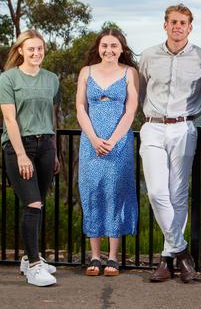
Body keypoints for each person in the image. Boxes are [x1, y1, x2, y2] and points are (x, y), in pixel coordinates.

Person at [139, 4, 201, 283]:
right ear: (165, 25)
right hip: (152, 127)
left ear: (190, 27)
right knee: (156, 193)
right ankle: (183, 252)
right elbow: (139, 91)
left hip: (185, 127)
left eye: (183, 22)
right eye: (173, 21)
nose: (177, 26)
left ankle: (166, 259)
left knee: (177, 195)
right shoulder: (148, 56)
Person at [0, 30, 60, 286]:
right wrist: (21, 154)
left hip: (46, 147)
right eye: (31, 49)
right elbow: (9, 119)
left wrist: (54, 151)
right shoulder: (8, 79)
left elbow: (51, 115)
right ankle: (33, 267)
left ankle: (28, 258)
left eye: (40, 49)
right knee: (32, 204)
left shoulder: (52, 79)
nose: (36, 53)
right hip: (19, 147)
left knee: (38, 203)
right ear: (20, 50)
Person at [76, 29, 139, 277]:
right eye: (104, 45)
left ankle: (112, 257)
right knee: (92, 192)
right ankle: (94, 255)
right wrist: (93, 138)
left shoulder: (129, 73)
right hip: (90, 141)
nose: (109, 50)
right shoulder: (86, 72)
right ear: (98, 47)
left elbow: (131, 110)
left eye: (114, 45)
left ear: (122, 48)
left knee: (115, 192)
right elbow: (80, 107)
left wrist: (112, 140)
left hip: (119, 142)